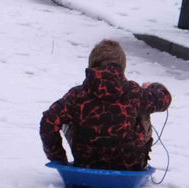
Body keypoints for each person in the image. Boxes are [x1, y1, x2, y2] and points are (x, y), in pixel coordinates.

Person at [40, 39, 171, 171]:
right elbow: (163, 99)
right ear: (122, 67)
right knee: (144, 108)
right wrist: (151, 87)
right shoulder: (133, 92)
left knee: (63, 116)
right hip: (130, 164)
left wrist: (58, 158)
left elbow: (48, 120)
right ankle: (136, 158)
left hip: (87, 162)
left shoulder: (77, 95)